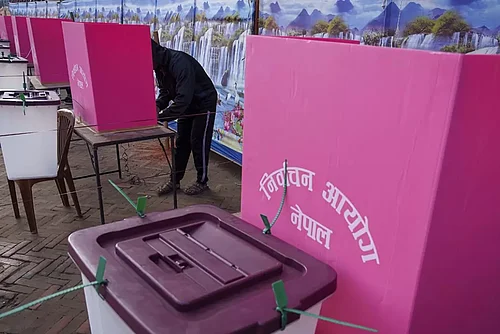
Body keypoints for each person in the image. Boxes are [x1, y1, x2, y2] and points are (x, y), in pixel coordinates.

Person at [151, 39, 218, 196]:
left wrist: (159, 117)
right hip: (187, 103)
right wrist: (158, 105)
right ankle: (174, 181)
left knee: (198, 141)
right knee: (181, 142)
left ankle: (202, 182)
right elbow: (165, 91)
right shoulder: (159, 67)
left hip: (203, 102)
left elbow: (183, 100)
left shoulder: (180, 63)